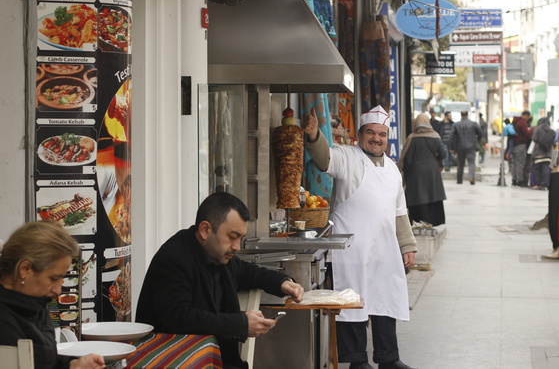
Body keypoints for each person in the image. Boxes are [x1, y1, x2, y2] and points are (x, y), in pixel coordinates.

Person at [303, 105, 417, 369]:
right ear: (360, 135)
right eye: (370, 133)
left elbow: (400, 212)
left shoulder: (392, 168)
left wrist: (407, 246)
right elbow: (324, 159)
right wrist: (313, 136)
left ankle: (389, 358)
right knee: (352, 302)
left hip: (385, 249)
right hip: (352, 248)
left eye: (381, 134)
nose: (376, 138)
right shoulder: (347, 157)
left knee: (385, 300)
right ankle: (356, 360)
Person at [136, 192, 304, 369]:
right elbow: (178, 318)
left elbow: (248, 272)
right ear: (205, 230)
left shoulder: (218, 255)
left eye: (241, 238)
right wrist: (241, 324)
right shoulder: (174, 258)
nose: (237, 247)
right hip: (173, 361)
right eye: (232, 237)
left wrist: (283, 282)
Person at [0, 221, 105, 369]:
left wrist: (73, 365)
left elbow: (44, 361)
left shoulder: (34, 303)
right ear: (25, 269)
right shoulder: (5, 322)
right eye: (54, 278)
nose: (58, 290)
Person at [398, 113, 447, 226]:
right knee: (431, 195)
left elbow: (408, 159)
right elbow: (443, 154)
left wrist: (407, 172)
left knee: (418, 196)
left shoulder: (412, 138)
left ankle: (418, 221)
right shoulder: (436, 136)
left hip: (416, 173)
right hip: (432, 171)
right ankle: (432, 221)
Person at [449, 111, 482, 185]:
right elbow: (480, 134)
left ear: (461, 116)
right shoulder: (473, 124)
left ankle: (459, 179)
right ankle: (471, 177)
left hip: (460, 147)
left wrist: (451, 147)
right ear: (467, 115)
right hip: (471, 147)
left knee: (460, 164)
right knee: (471, 163)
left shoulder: (456, 124)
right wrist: (476, 141)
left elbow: (451, 137)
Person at [530, 117, 556, 189]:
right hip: (547, 153)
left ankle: (538, 184)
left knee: (537, 169)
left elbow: (534, 139)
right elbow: (553, 142)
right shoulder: (551, 130)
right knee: (546, 169)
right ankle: (545, 184)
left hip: (538, 152)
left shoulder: (538, 129)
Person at [511, 111, 533, 187]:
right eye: (528, 117)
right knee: (520, 163)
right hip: (521, 145)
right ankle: (520, 180)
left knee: (514, 163)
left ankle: (514, 180)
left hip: (513, 145)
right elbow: (527, 134)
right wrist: (531, 130)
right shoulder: (522, 122)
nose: (528, 119)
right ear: (526, 115)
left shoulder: (515, 121)